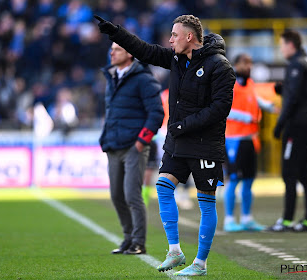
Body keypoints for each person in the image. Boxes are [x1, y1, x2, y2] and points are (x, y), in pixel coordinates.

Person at [95, 14, 235, 276]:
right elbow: (144, 51)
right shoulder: (176, 59)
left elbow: (220, 108)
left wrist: (185, 125)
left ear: (189, 37)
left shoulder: (220, 66)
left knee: (206, 203)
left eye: (174, 35)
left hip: (205, 144)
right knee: (162, 186)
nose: (170, 40)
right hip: (178, 141)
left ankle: (201, 264)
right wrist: (115, 32)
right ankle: (175, 251)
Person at [99, 42, 164, 255]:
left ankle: (138, 242)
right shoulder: (112, 77)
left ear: (129, 53)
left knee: (131, 195)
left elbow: (156, 113)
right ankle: (128, 238)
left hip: (133, 146)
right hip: (113, 145)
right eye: (111, 49)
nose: (112, 53)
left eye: (117, 49)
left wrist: (141, 142)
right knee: (116, 196)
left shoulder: (144, 79)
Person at [267, 30, 307, 232]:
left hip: (295, 127)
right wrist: (285, 88)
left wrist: (279, 125)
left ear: (291, 45)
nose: (281, 49)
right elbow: (301, 93)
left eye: (282, 45)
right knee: (306, 173)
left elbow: (293, 99)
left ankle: (286, 220)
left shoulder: (296, 64)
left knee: (289, 172)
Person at [223, 53, 275, 232]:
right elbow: (224, 109)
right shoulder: (229, 85)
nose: (248, 67)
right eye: (245, 63)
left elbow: (255, 100)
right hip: (233, 141)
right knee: (234, 179)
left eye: (250, 63)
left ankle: (246, 218)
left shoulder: (251, 85)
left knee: (249, 180)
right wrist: (246, 117)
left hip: (249, 139)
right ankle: (229, 219)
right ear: (236, 65)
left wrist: (269, 106)